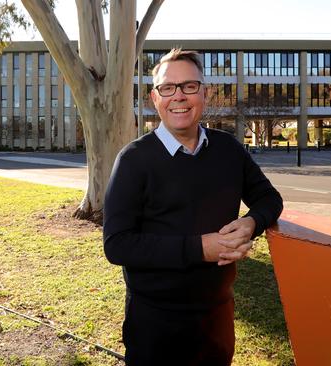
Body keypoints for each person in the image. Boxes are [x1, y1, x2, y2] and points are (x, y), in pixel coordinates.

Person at [103, 49, 283, 365]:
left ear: (205, 93)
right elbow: (117, 245)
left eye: (189, 86)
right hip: (155, 325)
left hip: (218, 319)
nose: (179, 97)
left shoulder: (229, 149)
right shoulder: (133, 160)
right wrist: (200, 248)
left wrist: (251, 223)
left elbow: (270, 200)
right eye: (167, 88)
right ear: (154, 98)